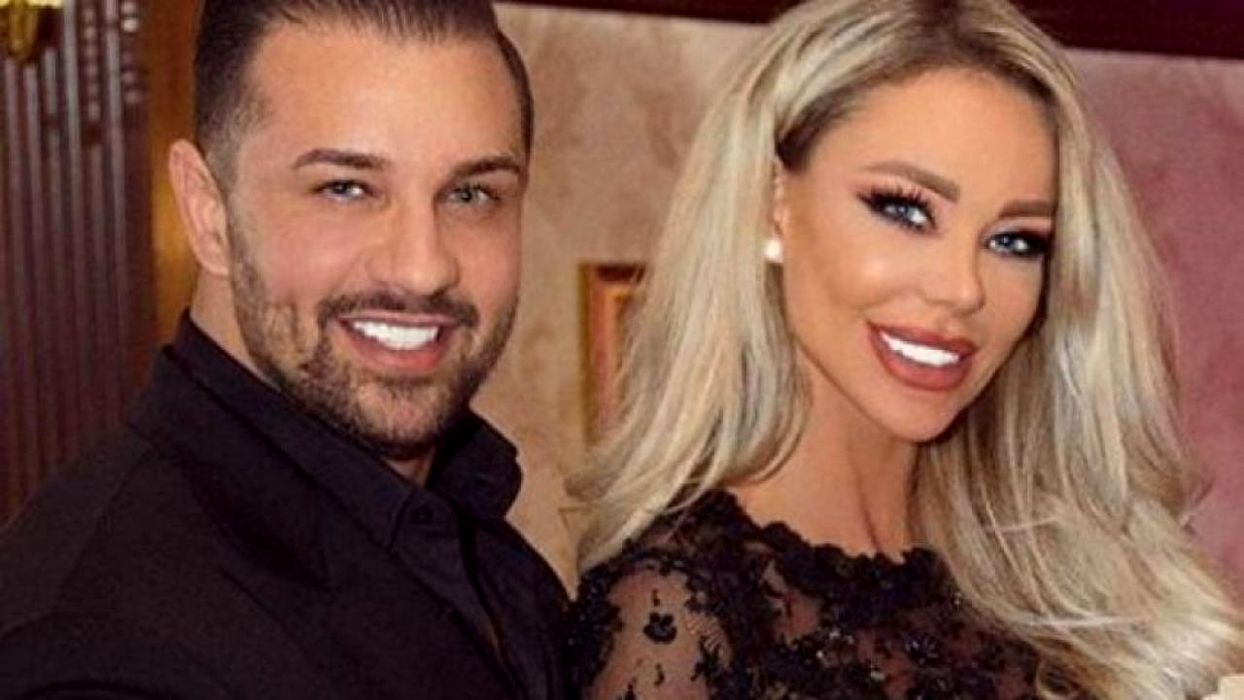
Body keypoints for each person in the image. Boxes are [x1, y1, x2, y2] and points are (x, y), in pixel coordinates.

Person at [564, 0, 1244, 698]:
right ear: (771, 203)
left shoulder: (1073, 574)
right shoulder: (677, 612)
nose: (962, 289)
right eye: (905, 210)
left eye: (1015, 240)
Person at [0, 1, 568, 698]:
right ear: (209, 213)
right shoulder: (101, 654)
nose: (423, 268)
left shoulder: (476, 544)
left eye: (471, 194)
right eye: (345, 189)